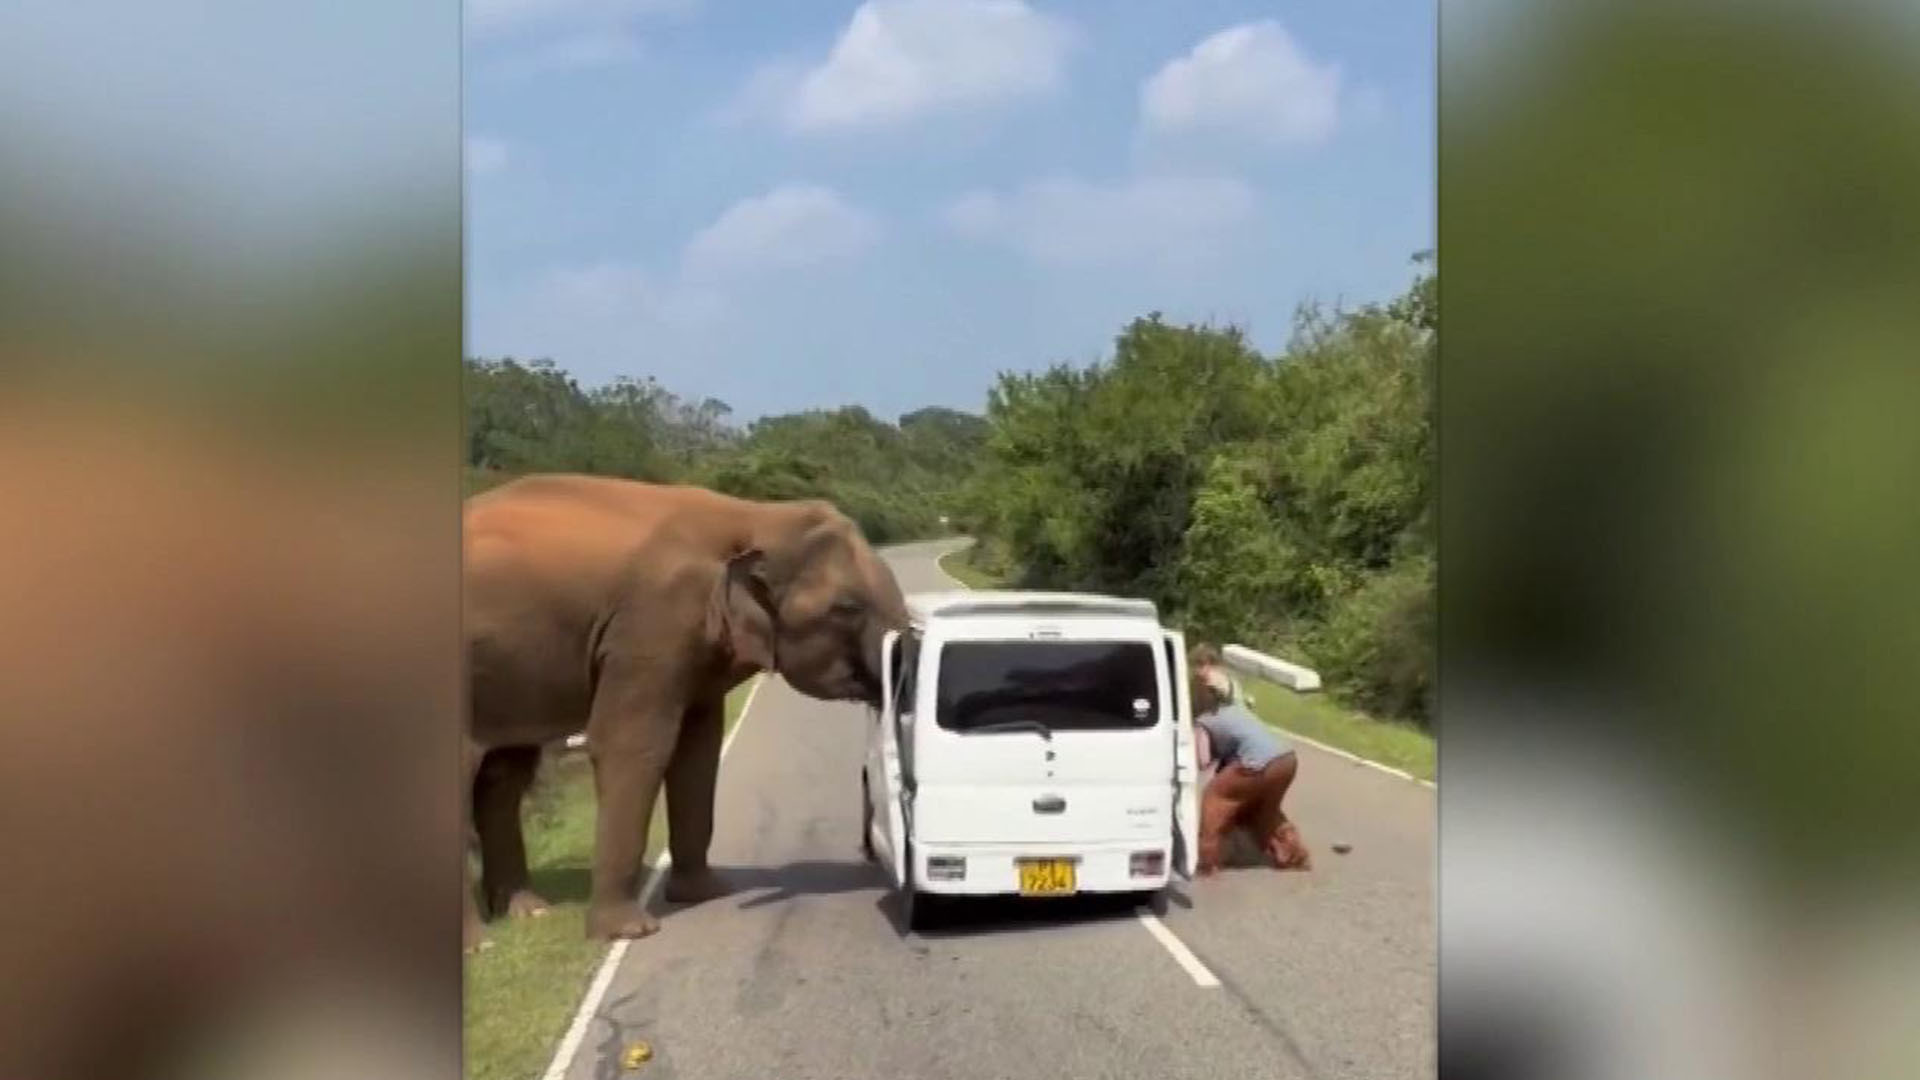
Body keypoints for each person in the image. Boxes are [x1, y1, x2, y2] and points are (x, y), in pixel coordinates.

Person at [1189, 644, 1311, 874]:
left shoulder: (1203, 722)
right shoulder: (1237, 705)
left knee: (1214, 798)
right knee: (1262, 810)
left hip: (1257, 760)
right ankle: (1294, 855)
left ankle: (1207, 860)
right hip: (1286, 757)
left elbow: (1203, 760)